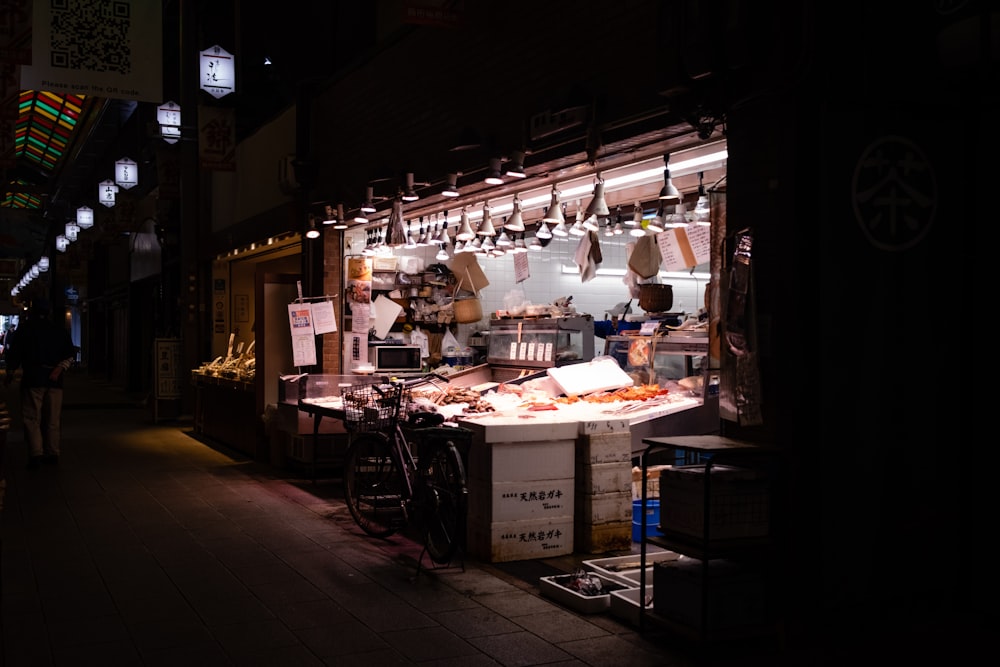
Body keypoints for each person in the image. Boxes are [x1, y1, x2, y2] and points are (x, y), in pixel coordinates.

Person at [3, 298, 77, 470]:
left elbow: (15, 354)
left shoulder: (26, 329)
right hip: (54, 381)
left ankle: (36, 453)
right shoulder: (59, 330)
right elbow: (70, 354)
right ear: (49, 312)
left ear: (33, 312)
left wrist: (10, 373)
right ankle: (53, 452)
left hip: (33, 378)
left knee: (32, 418)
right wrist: (59, 369)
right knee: (52, 419)